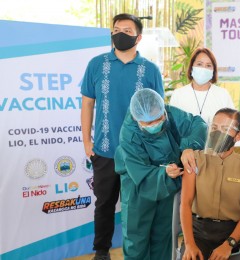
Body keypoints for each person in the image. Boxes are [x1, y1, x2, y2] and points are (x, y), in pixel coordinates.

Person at [80, 13, 164, 260]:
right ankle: (102, 251)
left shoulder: (150, 70)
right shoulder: (97, 64)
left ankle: (138, 251)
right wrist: (87, 141)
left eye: (126, 30)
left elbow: (158, 111)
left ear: (138, 37)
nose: (119, 33)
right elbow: (87, 104)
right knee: (104, 205)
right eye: (116, 29)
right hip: (105, 150)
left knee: (138, 207)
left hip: (139, 153)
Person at [114, 88, 207, 260]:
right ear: (137, 120)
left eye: (158, 120)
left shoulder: (170, 114)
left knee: (163, 234)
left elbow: (198, 124)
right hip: (138, 186)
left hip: (168, 185)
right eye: (147, 124)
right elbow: (139, 172)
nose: (154, 125)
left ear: (163, 110)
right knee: (136, 238)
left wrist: (189, 147)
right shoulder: (129, 133)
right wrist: (163, 174)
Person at [180, 108, 240, 260]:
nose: (218, 133)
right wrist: (189, 244)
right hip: (198, 233)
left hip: (231, 235)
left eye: (226, 129)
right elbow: (185, 203)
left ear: (238, 136)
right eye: (215, 127)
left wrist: (228, 245)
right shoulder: (195, 160)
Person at [169, 47, 235, 123]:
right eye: (199, 64)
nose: (203, 69)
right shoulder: (178, 94)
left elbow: (232, 123)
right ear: (191, 67)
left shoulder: (223, 94)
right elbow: (172, 125)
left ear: (213, 70)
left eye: (208, 65)